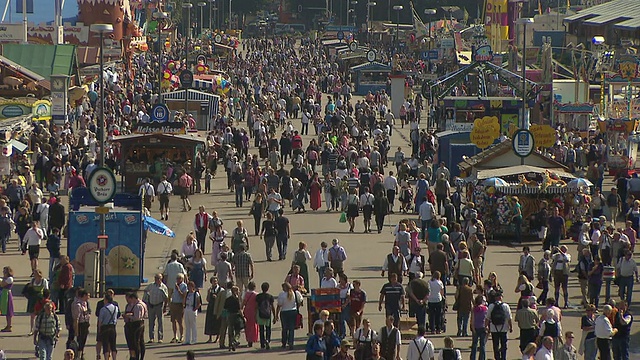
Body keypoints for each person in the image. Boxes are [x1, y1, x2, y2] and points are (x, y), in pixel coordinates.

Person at [486, 291, 512, 360]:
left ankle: (497, 357)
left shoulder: (491, 306)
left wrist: (486, 327)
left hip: (494, 328)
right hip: (504, 328)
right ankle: (503, 357)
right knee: (504, 344)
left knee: (495, 344)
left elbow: (487, 318)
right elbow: (509, 318)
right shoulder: (505, 306)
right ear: (500, 298)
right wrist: (511, 327)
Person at [275, 282, 302, 350]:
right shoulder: (296, 293)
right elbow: (300, 301)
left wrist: (276, 315)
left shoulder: (282, 295)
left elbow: (279, 305)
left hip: (284, 312)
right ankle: (291, 343)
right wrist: (297, 307)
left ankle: (284, 342)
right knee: (291, 328)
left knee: (284, 328)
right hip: (293, 311)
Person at [143, 274, 168, 344]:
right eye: (156, 278)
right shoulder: (151, 285)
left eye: (158, 278)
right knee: (151, 322)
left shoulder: (163, 287)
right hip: (151, 305)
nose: (157, 280)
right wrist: (147, 301)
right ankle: (151, 338)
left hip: (159, 305)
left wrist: (165, 307)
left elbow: (166, 298)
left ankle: (160, 338)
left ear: (161, 279)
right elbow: (145, 291)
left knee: (160, 322)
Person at [123, 292, 147, 360]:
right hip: (141, 324)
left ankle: (137, 357)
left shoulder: (137, 306)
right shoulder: (143, 304)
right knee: (141, 341)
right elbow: (145, 315)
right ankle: (139, 357)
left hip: (136, 325)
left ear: (133, 298)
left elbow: (137, 317)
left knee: (136, 342)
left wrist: (129, 316)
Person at [97, 293, 120, 360]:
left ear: (106, 300)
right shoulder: (116, 308)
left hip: (105, 327)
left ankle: (106, 358)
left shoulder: (103, 309)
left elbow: (100, 320)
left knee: (106, 345)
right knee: (113, 344)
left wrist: (99, 329)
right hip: (113, 327)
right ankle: (114, 358)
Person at [71, 288, 91, 359]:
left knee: (83, 342)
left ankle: (81, 354)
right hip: (80, 325)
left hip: (85, 324)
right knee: (79, 343)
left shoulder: (85, 303)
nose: (89, 297)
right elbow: (76, 319)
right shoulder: (77, 305)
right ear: (84, 295)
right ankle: (78, 356)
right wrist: (76, 331)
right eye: (87, 295)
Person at [255, 282, 276, 350]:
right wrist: (275, 316)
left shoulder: (258, 296)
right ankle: (267, 340)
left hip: (260, 314)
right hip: (268, 314)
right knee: (268, 328)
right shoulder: (270, 296)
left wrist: (255, 315)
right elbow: (272, 307)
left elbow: (256, 306)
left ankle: (262, 343)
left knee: (261, 329)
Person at [204, 277, 223, 343]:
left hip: (217, 307)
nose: (214, 282)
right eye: (213, 281)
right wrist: (209, 294)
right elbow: (208, 299)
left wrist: (217, 297)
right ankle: (210, 337)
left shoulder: (221, 289)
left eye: (215, 281)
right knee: (210, 322)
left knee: (218, 322)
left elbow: (222, 300)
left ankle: (218, 337)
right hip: (211, 307)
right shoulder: (210, 289)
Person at [183, 281, 202, 345]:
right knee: (187, 325)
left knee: (193, 325)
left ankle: (194, 339)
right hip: (187, 308)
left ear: (193, 287)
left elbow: (199, 303)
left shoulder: (196, 294)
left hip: (192, 309)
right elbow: (184, 300)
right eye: (188, 286)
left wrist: (195, 309)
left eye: (190, 286)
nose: (189, 288)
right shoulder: (187, 293)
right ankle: (187, 340)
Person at [170, 274, 187, 343]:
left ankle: (181, 336)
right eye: (177, 278)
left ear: (182, 279)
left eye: (179, 278)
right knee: (173, 321)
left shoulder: (184, 286)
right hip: (174, 304)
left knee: (180, 321)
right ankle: (175, 336)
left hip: (180, 304)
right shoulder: (175, 285)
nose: (177, 279)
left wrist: (178, 289)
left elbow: (184, 295)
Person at [241, 281, 260, 347]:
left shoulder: (246, 294)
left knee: (247, 326)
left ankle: (249, 339)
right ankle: (253, 338)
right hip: (254, 311)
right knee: (254, 325)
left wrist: (241, 309)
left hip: (247, 310)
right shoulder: (256, 294)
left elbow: (243, 303)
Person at [224, 286, 242, 351]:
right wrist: (243, 317)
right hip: (236, 315)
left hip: (229, 315)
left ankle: (230, 345)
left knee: (230, 331)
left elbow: (225, 308)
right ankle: (235, 340)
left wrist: (225, 317)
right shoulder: (237, 299)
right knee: (238, 330)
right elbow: (239, 310)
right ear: (235, 291)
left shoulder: (228, 299)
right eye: (238, 291)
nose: (239, 292)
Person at [470, 295, 488, 360]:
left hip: (476, 327)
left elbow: (472, 319)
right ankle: (482, 358)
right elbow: (486, 318)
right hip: (483, 327)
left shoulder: (474, 309)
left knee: (474, 344)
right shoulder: (485, 308)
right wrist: (486, 327)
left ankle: (473, 357)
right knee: (482, 344)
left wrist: (473, 328)